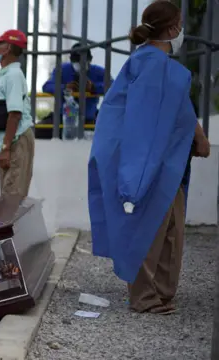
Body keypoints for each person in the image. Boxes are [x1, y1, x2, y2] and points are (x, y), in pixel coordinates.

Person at [88, 0, 210, 315]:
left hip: (167, 160)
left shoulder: (150, 64)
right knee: (153, 227)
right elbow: (145, 123)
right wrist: (138, 173)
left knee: (169, 228)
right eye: (180, 23)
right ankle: (145, 296)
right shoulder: (155, 66)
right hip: (154, 163)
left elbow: (179, 109)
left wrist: (197, 137)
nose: (182, 29)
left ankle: (161, 293)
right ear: (172, 29)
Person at [0, 30, 35, 198]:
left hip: (15, 141)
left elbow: (14, 114)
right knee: (7, 195)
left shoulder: (13, 75)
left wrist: (6, 149)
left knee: (12, 198)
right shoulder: (6, 74)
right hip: (9, 141)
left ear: (7, 48)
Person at [42, 43, 107, 126]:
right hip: (63, 118)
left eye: (83, 62)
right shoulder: (62, 70)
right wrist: (65, 87)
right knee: (39, 130)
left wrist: (93, 87)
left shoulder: (98, 72)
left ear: (90, 59)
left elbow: (113, 86)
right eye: (77, 62)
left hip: (89, 118)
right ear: (71, 60)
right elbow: (47, 86)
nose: (80, 65)